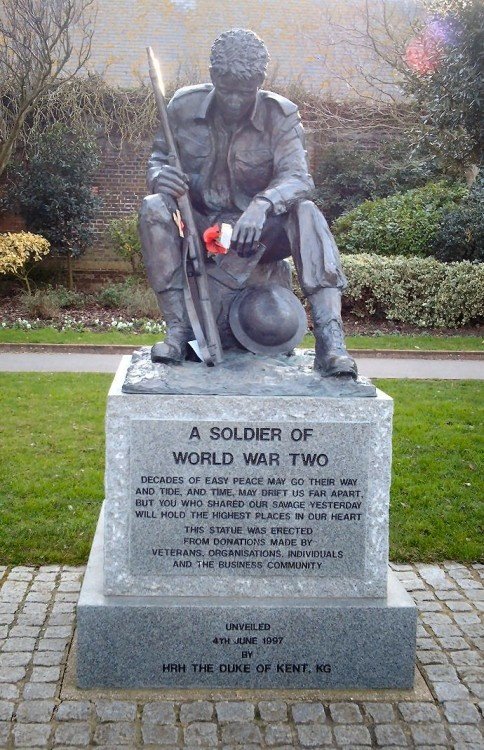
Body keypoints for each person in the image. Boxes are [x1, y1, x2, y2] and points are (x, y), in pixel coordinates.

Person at [139, 28, 357, 379]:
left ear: (259, 83)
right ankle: (179, 331)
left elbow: (299, 178)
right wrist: (158, 176)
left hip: (259, 232)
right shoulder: (182, 106)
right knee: (153, 207)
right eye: (227, 92)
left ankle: (331, 343)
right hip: (201, 222)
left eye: (246, 92)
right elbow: (159, 158)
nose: (236, 102)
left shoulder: (280, 115)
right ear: (213, 79)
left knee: (307, 212)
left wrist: (263, 204)